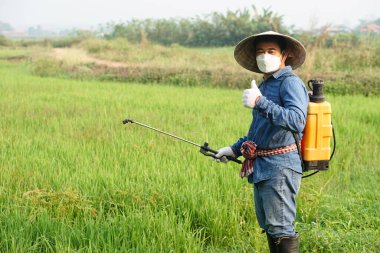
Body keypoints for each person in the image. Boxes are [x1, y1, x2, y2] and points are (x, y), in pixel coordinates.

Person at [214, 31, 309, 253]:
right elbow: (259, 131)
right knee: (271, 227)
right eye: (260, 51)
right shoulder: (266, 85)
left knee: (281, 228)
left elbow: (297, 121)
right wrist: (234, 150)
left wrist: (260, 102)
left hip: (281, 167)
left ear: (284, 54)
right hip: (263, 167)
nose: (264, 56)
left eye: (271, 51)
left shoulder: (290, 83)